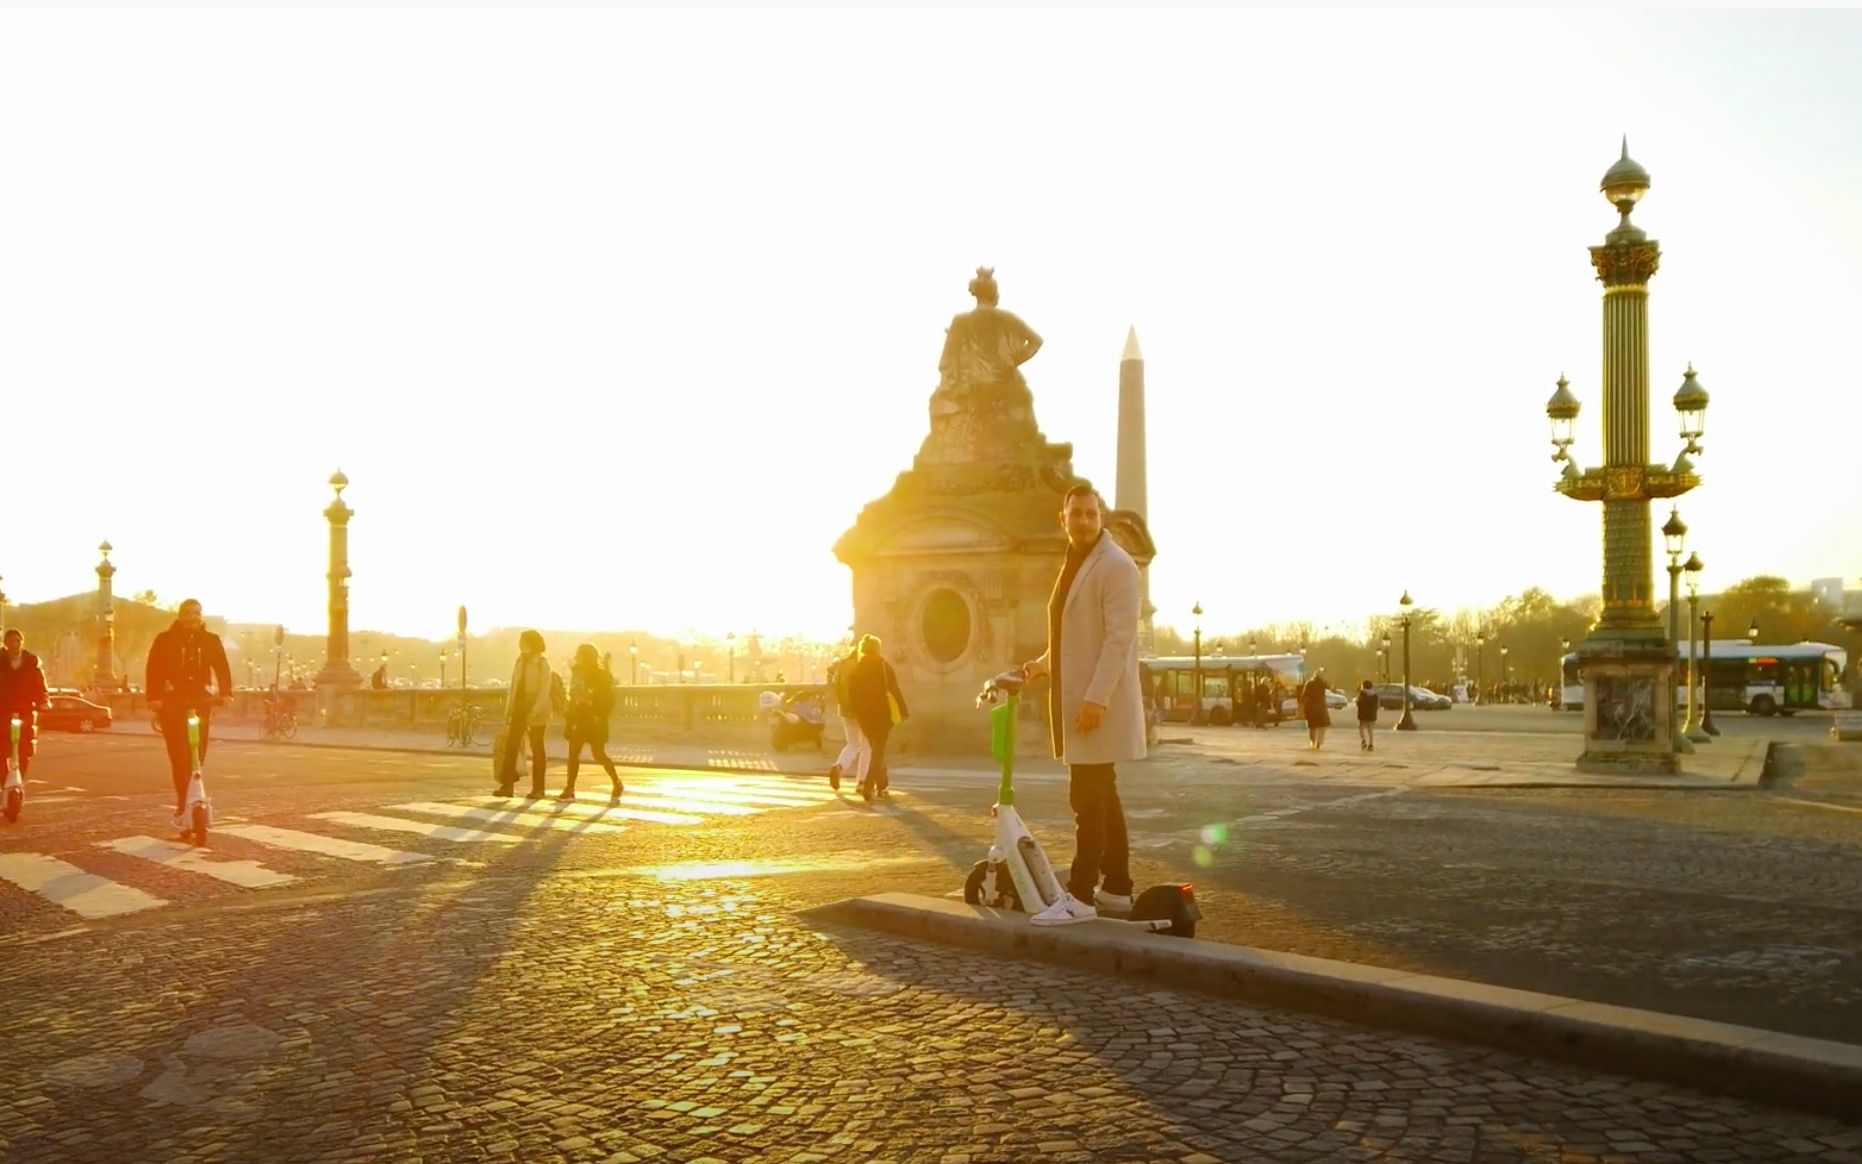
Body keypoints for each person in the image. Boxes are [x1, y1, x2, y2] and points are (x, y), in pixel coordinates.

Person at [1021, 484, 1145, 927]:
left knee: (1087, 799)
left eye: (1091, 514)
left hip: (1096, 703)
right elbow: (1071, 637)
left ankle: (1080, 896)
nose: (1084, 521)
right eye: (1076, 514)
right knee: (1103, 795)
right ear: (1064, 518)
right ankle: (1116, 888)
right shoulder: (1077, 563)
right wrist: (1039, 665)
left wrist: (1096, 699)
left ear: (1102, 518)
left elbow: (1117, 640)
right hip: (1082, 699)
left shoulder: (1116, 567)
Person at [145, 599, 233, 833]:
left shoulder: (210, 640)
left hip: (200, 701)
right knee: (180, 757)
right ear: (180, 616)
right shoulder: (165, 639)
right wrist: (153, 696)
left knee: (197, 755)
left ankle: (193, 797)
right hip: (173, 702)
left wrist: (226, 693)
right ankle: (182, 802)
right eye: (187, 613)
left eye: (196, 613)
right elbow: (153, 668)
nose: (191, 617)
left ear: (201, 616)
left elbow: (222, 667)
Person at [845, 634, 908, 801]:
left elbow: (851, 694)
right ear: (877, 648)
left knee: (876, 750)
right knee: (877, 752)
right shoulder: (883, 666)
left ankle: (882, 786)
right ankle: (868, 786)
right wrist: (903, 710)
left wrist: (857, 713)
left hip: (864, 716)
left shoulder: (857, 668)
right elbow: (894, 689)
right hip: (882, 714)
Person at [493, 629, 555, 799]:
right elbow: (513, 687)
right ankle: (507, 785)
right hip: (520, 708)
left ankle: (538, 789)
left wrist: (536, 710)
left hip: (537, 709)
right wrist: (509, 708)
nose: (520, 645)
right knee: (511, 746)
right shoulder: (520, 661)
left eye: (523, 641)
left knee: (537, 748)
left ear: (532, 643)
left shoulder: (542, 663)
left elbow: (544, 690)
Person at [559, 643, 623, 803]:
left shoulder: (601, 675)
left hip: (594, 720)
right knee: (573, 754)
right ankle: (569, 788)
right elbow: (572, 694)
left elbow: (609, 700)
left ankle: (617, 782)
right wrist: (569, 710)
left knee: (599, 755)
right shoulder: (576, 673)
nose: (576, 658)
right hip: (578, 718)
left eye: (579, 655)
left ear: (586, 658)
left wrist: (598, 715)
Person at [0, 629, 50, 780]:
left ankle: (19, 779)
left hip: (25, 710)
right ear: (5, 644)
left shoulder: (32, 663)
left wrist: (44, 701)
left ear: (22, 643)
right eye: (11, 641)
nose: (15, 644)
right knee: (2, 748)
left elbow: (41, 687)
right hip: (3, 710)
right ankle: (3, 781)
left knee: (25, 748)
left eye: (18, 641)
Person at [824, 644, 864, 792]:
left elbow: (834, 687)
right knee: (867, 747)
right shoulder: (860, 666)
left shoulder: (842, 666)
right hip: (860, 710)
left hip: (845, 710)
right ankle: (862, 781)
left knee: (852, 745)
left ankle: (839, 765)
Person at [1300, 670, 1332, 750]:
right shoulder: (1323, 683)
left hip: (1310, 707)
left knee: (1312, 727)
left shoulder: (1309, 683)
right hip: (1321, 707)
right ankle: (1319, 742)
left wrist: (1302, 704)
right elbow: (1331, 687)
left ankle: (1313, 741)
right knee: (1322, 727)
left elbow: (1303, 695)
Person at [1356, 678, 1379, 752]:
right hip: (1372, 715)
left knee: (1361, 728)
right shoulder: (1375, 695)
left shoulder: (1362, 693)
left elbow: (1358, 703)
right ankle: (1371, 744)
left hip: (1363, 714)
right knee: (1371, 730)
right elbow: (1378, 705)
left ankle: (1364, 741)